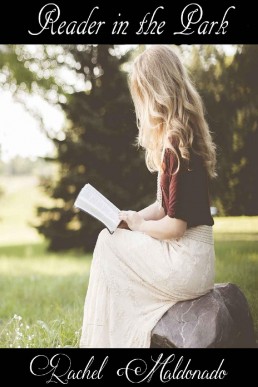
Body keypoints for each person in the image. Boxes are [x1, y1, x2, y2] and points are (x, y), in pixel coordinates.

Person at [80, 45, 217, 348]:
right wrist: (133, 218)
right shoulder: (183, 135)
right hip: (196, 260)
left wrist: (140, 228)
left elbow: (175, 226)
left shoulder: (175, 142)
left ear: (156, 92)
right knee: (113, 235)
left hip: (186, 262)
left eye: (142, 93)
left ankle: (105, 343)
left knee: (107, 243)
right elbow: (162, 205)